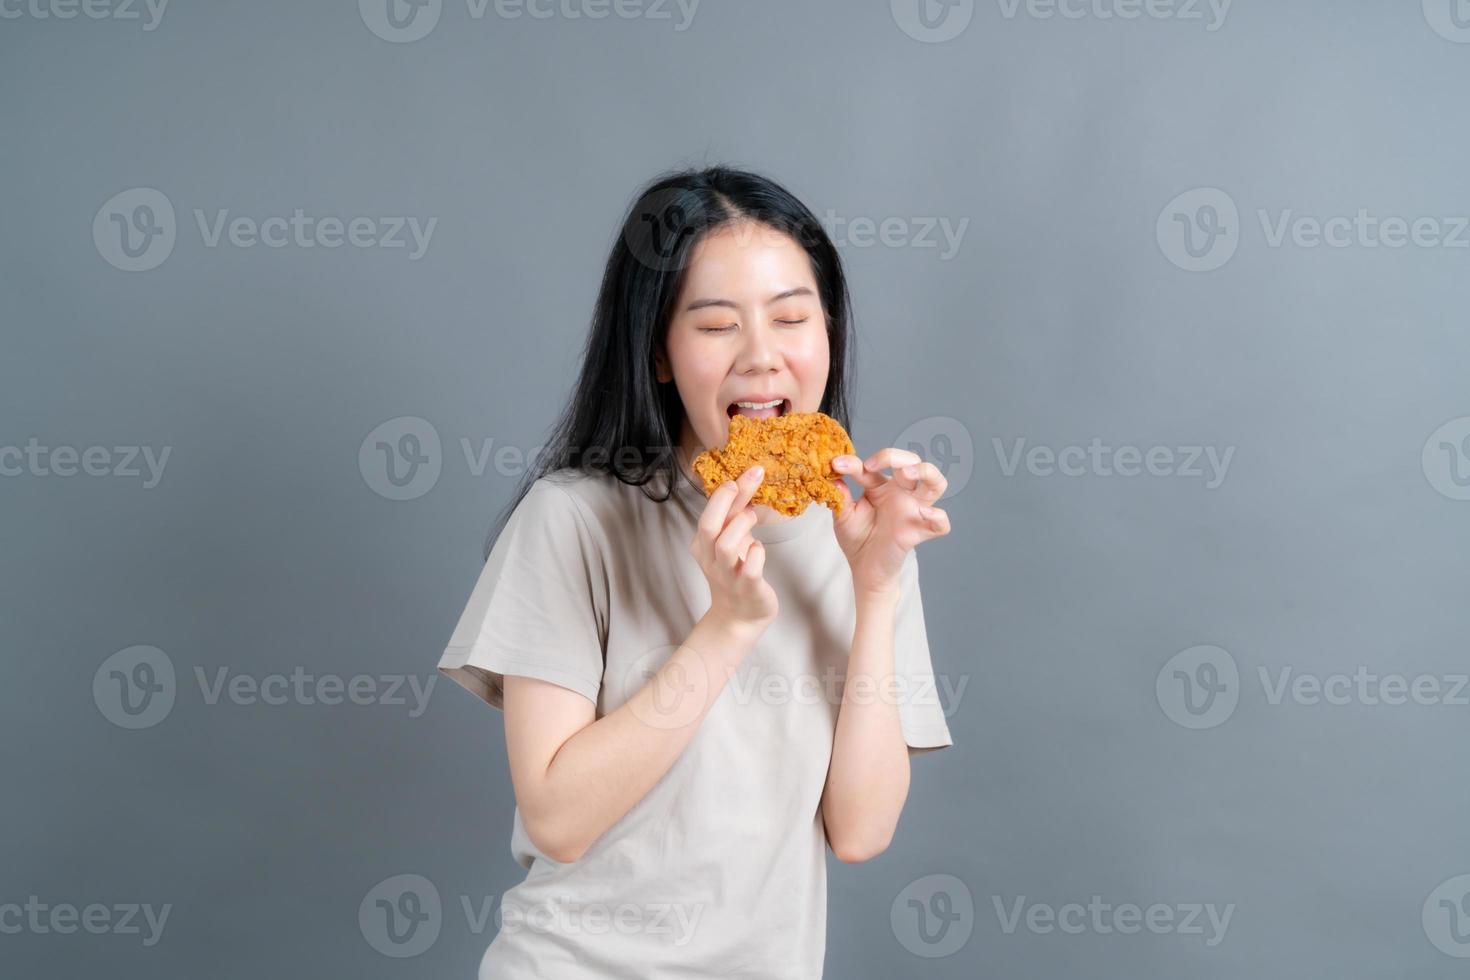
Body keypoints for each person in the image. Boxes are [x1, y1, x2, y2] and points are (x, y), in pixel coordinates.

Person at [437, 164, 955, 979]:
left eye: (792, 318)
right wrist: (727, 626)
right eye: (716, 326)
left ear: (829, 332)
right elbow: (557, 820)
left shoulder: (862, 536)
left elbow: (860, 830)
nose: (762, 358)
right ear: (660, 355)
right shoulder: (574, 518)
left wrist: (878, 587)